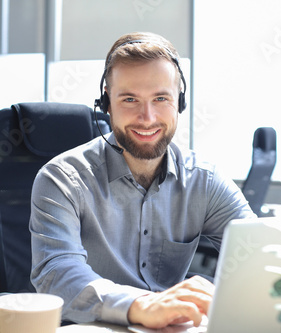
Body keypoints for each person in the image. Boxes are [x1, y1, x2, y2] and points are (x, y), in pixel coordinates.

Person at [29, 31, 255, 329]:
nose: (147, 117)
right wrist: (140, 305)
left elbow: (256, 252)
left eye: (161, 98)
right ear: (106, 103)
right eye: (130, 99)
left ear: (179, 103)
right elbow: (56, 273)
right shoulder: (62, 179)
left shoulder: (205, 182)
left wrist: (216, 295)